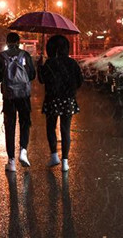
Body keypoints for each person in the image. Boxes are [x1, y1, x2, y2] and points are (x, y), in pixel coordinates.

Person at [0, 32, 36, 172]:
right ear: (19, 42)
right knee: (25, 123)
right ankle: (23, 150)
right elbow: (32, 75)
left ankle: (11, 161)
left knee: (10, 126)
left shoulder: (1, 56)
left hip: (9, 96)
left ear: (7, 42)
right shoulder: (25, 55)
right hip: (23, 95)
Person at [38, 35, 83, 171]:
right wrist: (70, 89)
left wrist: (40, 66)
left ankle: (54, 156)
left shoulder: (49, 63)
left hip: (52, 99)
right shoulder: (72, 63)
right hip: (67, 99)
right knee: (65, 129)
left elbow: (41, 80)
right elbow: (80, 81)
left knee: (50, 127)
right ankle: (65, 162)